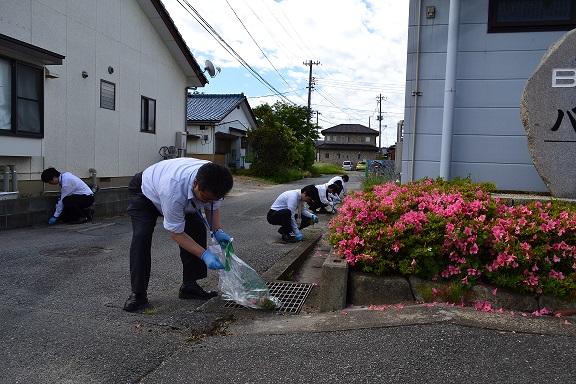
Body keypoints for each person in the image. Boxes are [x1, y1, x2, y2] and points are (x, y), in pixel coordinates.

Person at [122, 157, 233, 312]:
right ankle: (138, 293)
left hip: (179, 192)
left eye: (213, 199)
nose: (208, 201)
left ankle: (190, 285)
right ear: (196, 183)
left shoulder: (216, 179)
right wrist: (204, 254)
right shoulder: (173, 190)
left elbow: (211, 207)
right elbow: (175, 232)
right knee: (142, 235)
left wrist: (217, 231)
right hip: (146, 191)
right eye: (206, 198)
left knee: (196, 228)